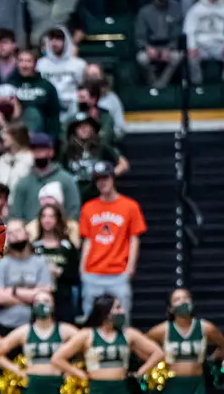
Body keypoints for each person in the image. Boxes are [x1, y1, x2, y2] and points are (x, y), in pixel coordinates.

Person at [79, 162, 146, 321]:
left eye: (105, 178)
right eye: (98, 179)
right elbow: (87, 240)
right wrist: (82, 267)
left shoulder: (130, 206)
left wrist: (130, 267)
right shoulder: (88, 207)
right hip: (92, 271)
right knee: (90, 318)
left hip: (118, 271)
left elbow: (134, 239)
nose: (102, 182)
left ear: (113, 178)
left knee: (121, 318)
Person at [9, 134, 81, 240]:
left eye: (42, 149)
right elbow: (16, 215)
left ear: (51, 152)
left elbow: (73, 211)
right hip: (31, 237)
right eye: (35, 149)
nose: (39, 153)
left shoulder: (66, 180)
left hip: (61, 235)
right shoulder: (23, 183)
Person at [0, 222, 52, 335]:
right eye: (10, 233)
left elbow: (45, 293)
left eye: (18, 231)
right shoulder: (1, 264)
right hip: (4, 324)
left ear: (27, 234)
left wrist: (14, 291)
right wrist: (31, 299)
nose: (15, 235)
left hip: (34, 325)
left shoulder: (40, 262)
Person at [61, 116, 128, 205]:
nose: (84, 129)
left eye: (87, 126)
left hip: (97, 195)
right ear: (74, 130)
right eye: (80, 126)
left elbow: (124, 164)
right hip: (74, 195)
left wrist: (108, 176)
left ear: (93, 129)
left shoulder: (102, 147)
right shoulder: (67, 150)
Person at [30, 205, 80, 322]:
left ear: (57, 219)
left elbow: (75, 276)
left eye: (51, 216)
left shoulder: (67, 246)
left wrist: (59, 271)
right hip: (40, 297)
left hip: (63, 297)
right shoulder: (34, 246)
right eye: (44, 216)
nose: (47, 220)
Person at [135, 0, 184, 89]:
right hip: (151, 46)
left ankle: (160, 85)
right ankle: (153, 84)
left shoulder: (176, 8)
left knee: (177, 57)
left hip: (169, 47)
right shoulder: (144, 12)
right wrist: (147, 47)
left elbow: (177, 33)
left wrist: (170, 48)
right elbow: (139, 36)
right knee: (142, 58)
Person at [9, 50, 60, 141]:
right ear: (17, 63)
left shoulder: (47, 86)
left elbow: (54, 116)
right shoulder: (8, 85)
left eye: (28, 61)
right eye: (21, 61)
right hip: (12, 130)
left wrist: (53, 138)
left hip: (40, 134)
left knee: (32, 112)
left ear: (35, 64)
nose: (24, 65)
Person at [36, 27, 86, 118]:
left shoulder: (79, 64)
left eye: (58, 39)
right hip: (47, 109)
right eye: (51, 39)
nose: (54, 42)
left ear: (66, 41)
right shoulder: (40, 64)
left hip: (72, 108)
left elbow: (83, 88)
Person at [0, 124, 34, 193]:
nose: (3, 137)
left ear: (16, 136)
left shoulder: (30, 159)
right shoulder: (0, 161)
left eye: (7, 133)